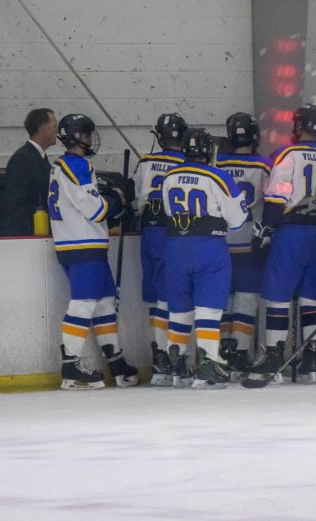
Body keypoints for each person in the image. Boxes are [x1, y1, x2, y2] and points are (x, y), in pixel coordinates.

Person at [246, 104, 316, 384]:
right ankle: (311, 358)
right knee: (313, 297)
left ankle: (275, 355)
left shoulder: (289, 154)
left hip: (292, 231)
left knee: (278, 294)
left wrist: (264, 229)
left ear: (299, 126)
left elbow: (277, 198)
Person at [49, 113, 138, 390]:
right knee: (84, 303)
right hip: (81, 245)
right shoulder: (75, 165)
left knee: (103, 303)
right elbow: (96, 210)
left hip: (87, 245)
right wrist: (117, 200)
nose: (90, 139)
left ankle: (115, 360)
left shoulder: (72, 164)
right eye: (86, 134)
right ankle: (71, 367)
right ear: (76, 137)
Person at [161, 128, 248, 390]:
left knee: (179, 308)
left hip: (175, 247)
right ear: (208, 150)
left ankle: (175, 361)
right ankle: (209, 363)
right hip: (208, 246)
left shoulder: (169, 176)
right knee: (208, 309)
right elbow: (238, 219)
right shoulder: (218, 176)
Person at [131, 113, 188, 386]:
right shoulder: (186, 164)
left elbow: (135, 201)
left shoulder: (144, 162)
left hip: (149, 232)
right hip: (174, 233)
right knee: (171, 297)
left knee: (156, 298)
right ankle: (170, 356)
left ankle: (159, 357)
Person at [216, 112, 272, 377]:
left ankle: (222, 354)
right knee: (246, 300)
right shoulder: (265, 165)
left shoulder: (217, 164)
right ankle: (240, 352)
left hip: (220, 241)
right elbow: (274, 200)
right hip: (251, 240)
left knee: (223, 299)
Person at [5, 108, 57, 236]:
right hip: (30, 236)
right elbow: (16, 204)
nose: (57, 131)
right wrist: (30, 235)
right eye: (55, 126)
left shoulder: (38, 157)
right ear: (45, 130)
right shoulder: (22, 159)